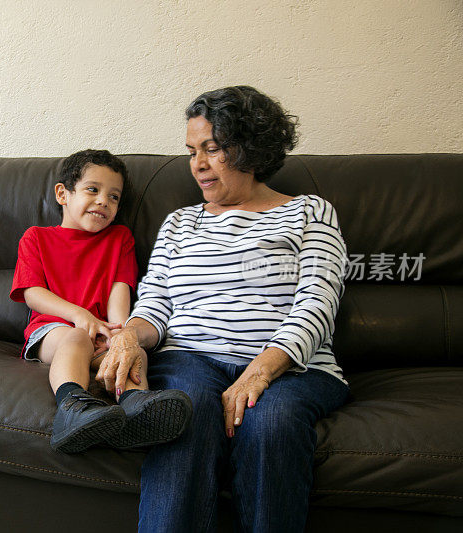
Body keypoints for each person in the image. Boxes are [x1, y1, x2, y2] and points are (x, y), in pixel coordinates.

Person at [96, 87, 351, 532]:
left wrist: (260, 371)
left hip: (292, 369)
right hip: (190, 357)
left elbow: (318, 303)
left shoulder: (311, 213)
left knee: (271, 422)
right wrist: (130, 337)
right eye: (193, 151)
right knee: (184, 412)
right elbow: (155, 303)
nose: (198, 164)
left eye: (212, 149)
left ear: (250, 150)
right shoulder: (180, 222)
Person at [10, 149, 192, 454]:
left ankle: (136, 407)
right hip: (54, 331)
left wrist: (120, 331)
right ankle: (72, 407)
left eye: (114, 197)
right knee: (77, 337)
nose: (103, 202)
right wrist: (80, 316)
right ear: (62, 194)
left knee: (132, 352)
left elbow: (120, 289)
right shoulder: (37, 237)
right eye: (92, 190)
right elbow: (32, 293)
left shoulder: (120, 238)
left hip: (102, 331)